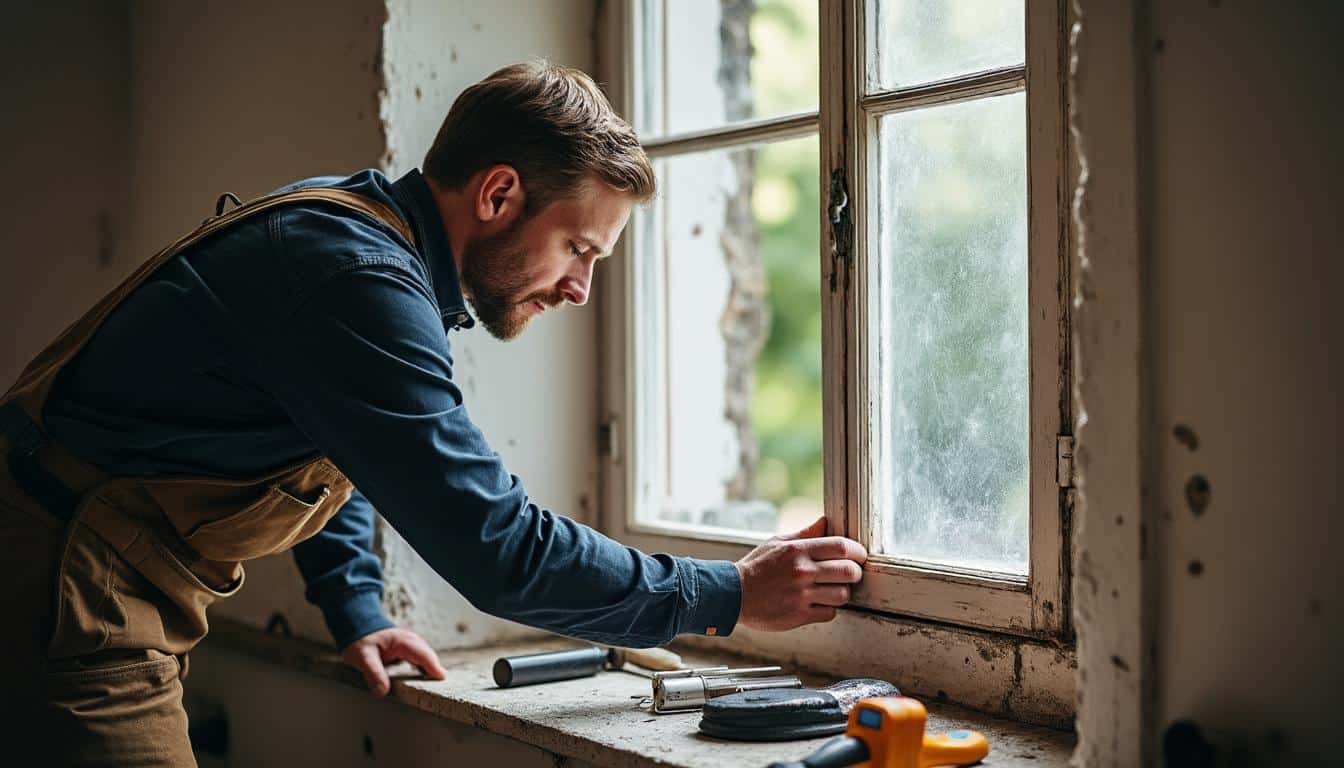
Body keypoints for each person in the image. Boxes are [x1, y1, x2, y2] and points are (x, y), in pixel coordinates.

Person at [0, 60, 866, 763]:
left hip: (84, 578)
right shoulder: (358, 277)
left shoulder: (362, 242)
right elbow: (498, 548)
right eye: (577, 247)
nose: (579, 288)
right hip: (58, 586)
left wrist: (357, 607)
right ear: (498, 194)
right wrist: (728, 593)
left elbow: (326, 439)